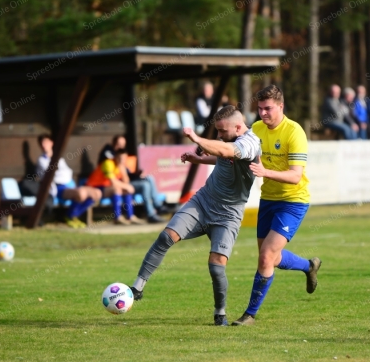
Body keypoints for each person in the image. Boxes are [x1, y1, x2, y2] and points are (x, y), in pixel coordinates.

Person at [129, 105, 261, 326]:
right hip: (203, 201)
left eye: (222, 131)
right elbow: (222, 157)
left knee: (216, 265)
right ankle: (137, 287)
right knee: (166, 236)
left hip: (228, 214)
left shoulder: (250, 143)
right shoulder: (230, 140)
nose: (219, 135)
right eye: (217, 131)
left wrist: (196, 138)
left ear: (238, 127)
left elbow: (228, 152)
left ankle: (220, 312)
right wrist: (199, 160)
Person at [232, 85, 321, 326]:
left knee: (266, 256)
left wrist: (264, 171)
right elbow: (236, 151)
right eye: (259, 109)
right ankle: (309, 265)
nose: (262, 113)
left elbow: (295, 176)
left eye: (268, 108)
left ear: (281, 106)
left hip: (293, 201)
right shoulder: (257, 129)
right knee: (271, 257)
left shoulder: (295, 132)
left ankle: (249, 314)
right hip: (269, 199)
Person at [35, 134, 102, 228]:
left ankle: (74, 216)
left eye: (45, 142)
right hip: (57, 188)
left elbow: (67, 172)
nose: (43, 145)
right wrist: (60, 174)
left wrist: (62, 175)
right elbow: (51, 175)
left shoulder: (59, 158)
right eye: (41, 143)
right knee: (81, 194)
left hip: (69, 185)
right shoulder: (42, 160)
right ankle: (69, 216)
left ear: (51, 143)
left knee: (97, 193)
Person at [100, 135, 167, 223]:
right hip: (105, 186)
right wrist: (126, 183)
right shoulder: (109, 159)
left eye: (123, 144)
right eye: (119, 144)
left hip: (123, 182)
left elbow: (126, 177)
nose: (121, 146)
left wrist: (137, 175)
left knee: (149, 178)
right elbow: (114, 181)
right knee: (143, 186)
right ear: (114, 144)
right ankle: (149, 214)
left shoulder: (121, 160)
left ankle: (157, 206)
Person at [87, 147, 142, 225]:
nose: (122, 160)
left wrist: (123, 171)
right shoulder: (108, 163)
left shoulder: (121, 166)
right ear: (115, 156)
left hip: (106, 189)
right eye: (120, 158)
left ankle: (130, 216)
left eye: (124, 158)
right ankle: (117, 218)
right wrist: (127, 187)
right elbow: (113, 182)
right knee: (117, 189)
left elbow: (126, 182)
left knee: (125, 190)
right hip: (94, 187)